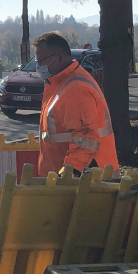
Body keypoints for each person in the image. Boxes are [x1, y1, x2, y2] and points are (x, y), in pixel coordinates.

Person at [33, 31, 118, 177]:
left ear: (58, 58)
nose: (38, 66)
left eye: (41, 61)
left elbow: (85, 138)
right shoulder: (60, 83)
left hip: (82, 181)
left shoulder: (76, 89)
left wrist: (69, 173)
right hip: (72, 179)